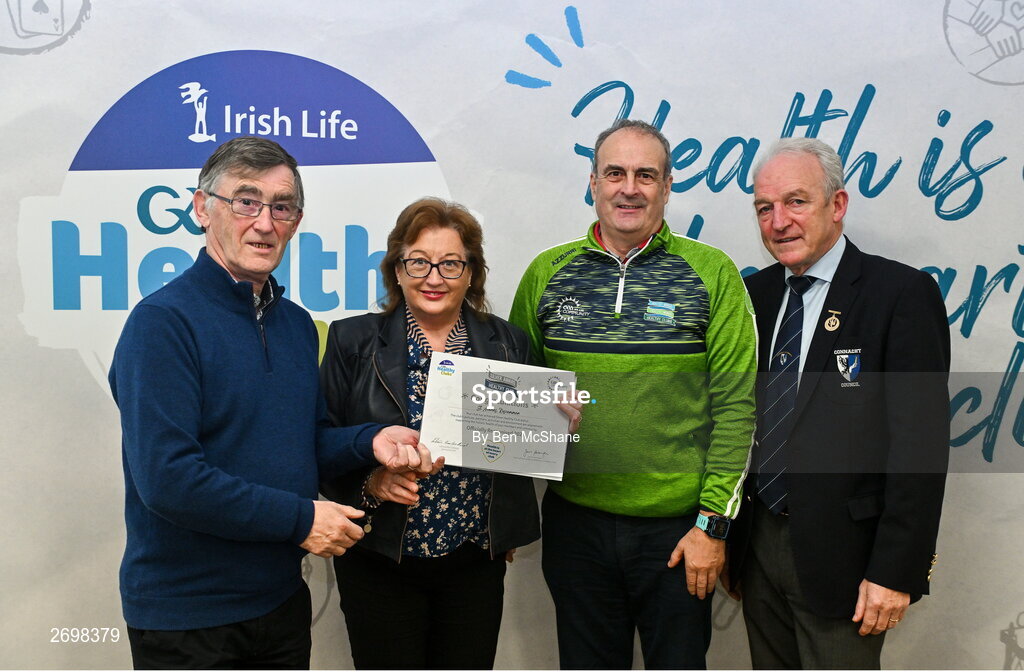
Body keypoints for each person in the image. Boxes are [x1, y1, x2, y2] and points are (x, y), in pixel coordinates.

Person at [108, 137, 432, 670]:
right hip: (189, 618)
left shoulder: (297, 326)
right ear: (201, 208)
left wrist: (369, 440)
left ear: (295, 221)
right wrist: (301, 519)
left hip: (281, 604)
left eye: (281, 207)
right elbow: (169, 480)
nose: (264, 222)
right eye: (246, 201)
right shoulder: (162, 324)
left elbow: (305, 445)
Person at [509, 119, 757, 669]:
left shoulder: (712, 273)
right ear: (592, 183)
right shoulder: (546, 274)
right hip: (575, 526)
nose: (630, 187)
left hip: (677, 533)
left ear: (667, 187)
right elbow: (510, 397)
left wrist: (713, 525)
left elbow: (738, 409)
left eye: (646, 174)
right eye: (615, 173)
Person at [726, 137, 950, 669]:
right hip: (759, 550)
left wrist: (895, 571)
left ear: (838, 205)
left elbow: (919, 448)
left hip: (850, 564)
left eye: (796, 202)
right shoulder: (753, 296)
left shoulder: (900, 294)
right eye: (765, 208)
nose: (779, 221)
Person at [320, 197, 570, 670]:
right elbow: (320, 444)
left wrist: (557, 424)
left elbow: (527, 447)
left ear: (472, 274)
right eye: (418, 262)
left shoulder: (508, 343)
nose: (433, 277)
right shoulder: (352, 342)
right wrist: (370, 485)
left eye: (451, 264)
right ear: (396, 269)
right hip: (379, 559)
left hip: (473, 561)